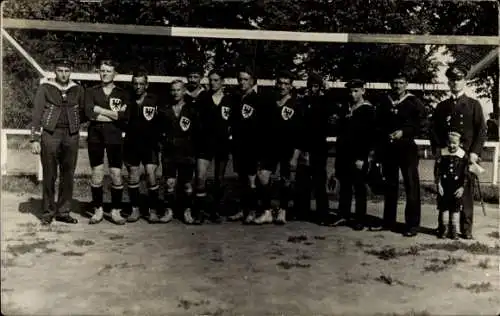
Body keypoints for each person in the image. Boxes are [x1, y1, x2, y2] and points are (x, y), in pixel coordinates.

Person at [431, 64, 486, 239]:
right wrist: (438, 149)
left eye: (459, 79)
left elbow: (481, 131)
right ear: (448, 82)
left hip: (466, 156)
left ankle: (466, 229)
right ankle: (445, 227)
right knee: (446, 191)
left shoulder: (473, 105)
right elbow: (433, 130)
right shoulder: (442, 106)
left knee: (466, 192)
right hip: (447, 156)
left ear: (465, 81)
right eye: (452, 79)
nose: (455, 82)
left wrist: (475, 152)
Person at [30, 57, 86, 225]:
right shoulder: (45, 88)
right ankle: (47, 212)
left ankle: (63, 211)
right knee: (49, 174)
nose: (63, 74)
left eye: (67, 71)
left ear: (71, 72)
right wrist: (34, 138)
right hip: (50, 134)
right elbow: (37, 113)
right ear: (55, 71)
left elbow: (83, 111)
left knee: (68, 174)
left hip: (71, 135)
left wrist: (74, 125)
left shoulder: (78, 89)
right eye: (60, 71)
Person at [375, 72, 427, 237]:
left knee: (411, 186)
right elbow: (378, 124)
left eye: (401, 82)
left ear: (406, 84)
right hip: (389, 149)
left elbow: (421, 125)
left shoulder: (414, 102)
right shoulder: (384, 101)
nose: (397, 86)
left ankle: (412, 225)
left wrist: (404, 132)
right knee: (390, 185)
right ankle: (388, 221)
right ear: (391, 84)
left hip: (407, 149)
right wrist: (385, 135)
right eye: (395, 82)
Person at [85, 59, 131, 225]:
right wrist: (113, 114)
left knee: (116, 174)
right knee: (97, 173)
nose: (105, 74)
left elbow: (124, 117)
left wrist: (100, 110)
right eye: (102, 70)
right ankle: (98, 209)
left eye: (108, 71)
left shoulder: (122, 93)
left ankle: (116, 211)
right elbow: (89, 112)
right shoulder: (91, 91)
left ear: (115, 74)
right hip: (95, 136)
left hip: (115, 137)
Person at [254, 70, 302, 225]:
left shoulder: (296, 105)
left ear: (291, 86)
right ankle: (267, 211)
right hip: (269, 147)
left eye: (286, 84)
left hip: (287, 148)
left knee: (285, 180)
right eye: (280, 83)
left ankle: (282, 211)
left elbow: (299, 133)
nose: (282, 86)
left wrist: (295, 155)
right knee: (262, 176)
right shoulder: (269, 102)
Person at [333, 79, 376, 230]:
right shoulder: (346, 108)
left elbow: (368, 136)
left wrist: (363, 158)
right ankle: (343, 215)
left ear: (363, 91)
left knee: (359, 187)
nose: (352, 94)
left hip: (358, 155)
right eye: (350, 91)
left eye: (356, 90)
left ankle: (360, 219)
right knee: (344, 185)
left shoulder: (368, 110)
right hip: (344, 154)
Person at [123, 69, 164, 223]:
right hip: (132, 143)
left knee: (150, 174)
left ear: (147, 85)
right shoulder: (128, 99)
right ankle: (135, 209)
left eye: (141, 84)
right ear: (132, 85)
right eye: (135, 84)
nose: (138, 86)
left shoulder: (154, 100)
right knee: (133, 175)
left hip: (150, 144)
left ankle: (152, 210)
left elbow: (162, 121)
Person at [158, 80, 202, 224]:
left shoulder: (192, 109)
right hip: (169, 152)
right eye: (173, 90)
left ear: (184, 91)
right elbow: (159, 131)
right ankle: (169, 210)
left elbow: (197, 132)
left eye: (178, 90)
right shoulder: (164, 109)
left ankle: (187, 211)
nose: (175, 93)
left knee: (187, 183)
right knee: (170, 182)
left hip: (186, 152)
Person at [194, 69, 233, 223]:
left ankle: (215, 211)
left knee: (219, 179)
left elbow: (233, 121)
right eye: (211, 80)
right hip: (205, 143)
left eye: (216, 80)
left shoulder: (230, 100)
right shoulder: (203, 97)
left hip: (222, 144)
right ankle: (199, 212)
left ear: (222, 82)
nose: (213, 83)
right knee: (200, 176)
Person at [293, 72, 332, 224]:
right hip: (305, 144)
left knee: (319, 180)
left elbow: (332, 107)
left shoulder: (325, 101)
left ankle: (323, 214)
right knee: (302, 180)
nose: (313, 89)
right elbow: (300, 125)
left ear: (320, 87)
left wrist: (327, 91)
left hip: (319, 145)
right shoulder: (304, 102)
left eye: (316, 86)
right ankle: (302, 212)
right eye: (311, 86)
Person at [228, 66, 263, 224]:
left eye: (245, 79)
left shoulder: (258, 100)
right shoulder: (235, 98)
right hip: (238, 144)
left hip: (253, 145)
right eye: (240, 79)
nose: (242, 82)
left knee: (251, 180)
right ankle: (243, 210)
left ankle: (253, 211)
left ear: (253, 81)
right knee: (241, 179)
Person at [434, 131, 468, 240]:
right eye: (449, 142)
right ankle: (443, 230)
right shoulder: (442, 153)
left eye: (454, 143)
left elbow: (466, 174)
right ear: (446, 142)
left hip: (456, 187)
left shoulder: (463, 155)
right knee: (443, 208)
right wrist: (438, 184)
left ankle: (454, 232)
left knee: (455, 209)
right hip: (444, 186)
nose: (451, 145)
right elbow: (437, 170)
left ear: (459, 143)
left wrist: (462, 187)